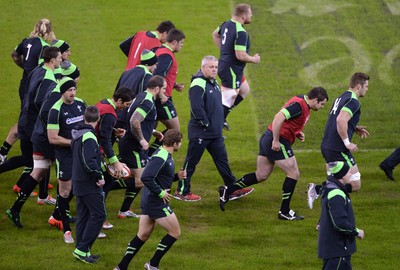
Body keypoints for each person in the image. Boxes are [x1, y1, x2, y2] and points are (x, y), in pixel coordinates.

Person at [219, 87, 329, 220]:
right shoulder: (300, 106)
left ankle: (227, 190)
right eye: (322, 104)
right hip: (276, 140)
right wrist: (276, 140)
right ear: (315, 100)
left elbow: (290, 121)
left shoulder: (302, 101)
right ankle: (284, 211)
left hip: (268, 137)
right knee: (293, 173)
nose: (322, 107)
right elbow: (278, 118)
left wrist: (296, 132)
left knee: (261, 175)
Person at [174, 56, 253, 202]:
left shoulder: (213, 82)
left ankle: (232, 189)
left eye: (216, 67)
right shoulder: (198, 83)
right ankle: (182, 191)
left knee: (223, 161)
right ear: (203, 67)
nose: (214, 70)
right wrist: (206, 124)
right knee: (191, 162)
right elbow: (196, 107)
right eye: (211, 67)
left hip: (214, 134)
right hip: (201, 133)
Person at [114, 129, 186, 270]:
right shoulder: (161, 157)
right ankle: (153, 264)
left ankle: (121, 266)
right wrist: (160, 193)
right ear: (175, 143)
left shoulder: (164, 154)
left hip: (149, 200)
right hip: (156, 202)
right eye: (180, 142)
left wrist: (178, 176)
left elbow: (160, 177)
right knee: (175, 232)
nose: (181, 145)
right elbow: (146, 177)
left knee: (143, 235)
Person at [307, 73, 370, 210]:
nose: (367, 89)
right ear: (359, 86)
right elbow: (340, 120)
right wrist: (347, 142)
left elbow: (339, 119)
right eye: (366, 86)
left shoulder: (342, 96)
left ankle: (318, 193)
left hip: (330, 146)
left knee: (346, 184)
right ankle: (318, 193)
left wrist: (353, 127)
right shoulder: (353, 101)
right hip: (338, 149)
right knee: (350, 185)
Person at [1, 18, 55, 168]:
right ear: (49, 31)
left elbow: (14, 55)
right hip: (33, 89)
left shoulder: (26, 41)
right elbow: (42, 69)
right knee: (28, 123)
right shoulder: (44, 47)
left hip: (23, 85)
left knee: (25, 120)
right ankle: (31, 160)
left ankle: (6, 152)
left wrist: (24, 66)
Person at [117, 75, 165, 218]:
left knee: (141, 178)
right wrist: (143, 139)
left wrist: (152, 131)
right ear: (156, 89)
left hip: (130, 143)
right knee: (142, 180)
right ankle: (107, 183)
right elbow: (134, 120)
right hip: (133, 146)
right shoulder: (147, 103)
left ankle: (124, 210)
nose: (165, 92)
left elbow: (139, 120)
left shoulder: (142, 95)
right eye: (164, 88)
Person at [47, 78, 86, 243]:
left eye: (74, 89)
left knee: (80, 187)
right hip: (64, 155)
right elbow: (52, 138)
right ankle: (67, 231)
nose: (72, 93)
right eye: (69, 90)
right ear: (62, 91)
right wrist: (73, 142)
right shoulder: (55, 110)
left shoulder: (80, 104)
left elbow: (88, 125)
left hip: (80, 152)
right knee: (64, 191)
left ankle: (57, 215)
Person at [212, 3, 260, 131]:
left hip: (227, 66)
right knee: (227, 99)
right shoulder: (241, 32)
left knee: (244, 90)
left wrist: (225, 51)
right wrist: (254, 60)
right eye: (250, 13)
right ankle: (214, 128)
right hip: (231, 70)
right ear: (244, 16)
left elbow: (215, 34)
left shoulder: (226, 24)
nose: (251, 16)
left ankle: (221, 117)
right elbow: (240, 55)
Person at [94, 87, 134, 232]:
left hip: (91, 148)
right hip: (94, 151)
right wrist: (114, 161)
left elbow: (100, 127)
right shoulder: (110, 114)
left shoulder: (103, 102)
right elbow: (104, 139)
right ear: (118, 100)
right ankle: (98, 219)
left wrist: (113, 131)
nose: (125, 108)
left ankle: (62, 212)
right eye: (126, 104)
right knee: (105, 182)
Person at [71, 106, 106, 264]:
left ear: (84, 118)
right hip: (88, 182)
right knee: (99, 215)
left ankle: (81, 250)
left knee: (84, 216)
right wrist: (98, 175)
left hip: (78, 180)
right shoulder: (89, 136)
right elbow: (89, 161)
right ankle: (83, 249)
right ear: (98, 120)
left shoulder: (77, 132)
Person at [318, 161, 365, 269]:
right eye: (349, 172)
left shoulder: (330, 189)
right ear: (342, 176)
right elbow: (339, 223)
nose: (350, 174)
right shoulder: (336, 195)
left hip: (337, 250)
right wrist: (356, 232)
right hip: (337, 250)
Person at [149, 29, 185, 154]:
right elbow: (158, 76)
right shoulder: (167, 55)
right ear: (174, 42)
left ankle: (145, 155)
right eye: (181, 43)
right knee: (175, 131)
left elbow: (160, 73)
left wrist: (173, 85)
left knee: (149, 129)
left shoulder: (158, 50)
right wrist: (161, 94)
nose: (182, 46)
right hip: (162, 100)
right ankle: (151, 154)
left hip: (157, 97)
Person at [114, 49, 158, 129]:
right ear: (150, 63)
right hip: (130, 117)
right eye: (155, 64)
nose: (155, 67)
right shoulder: (147, 76)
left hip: (118, 115)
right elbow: (142, 98)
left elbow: (117, 92)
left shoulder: (127, 72)